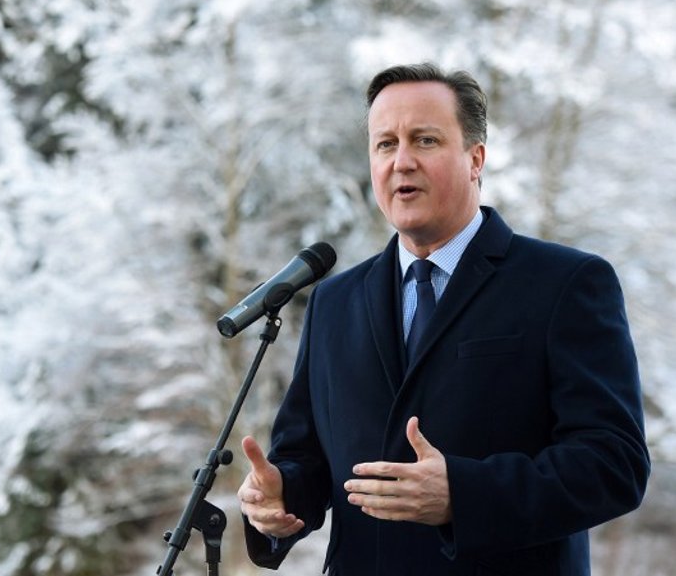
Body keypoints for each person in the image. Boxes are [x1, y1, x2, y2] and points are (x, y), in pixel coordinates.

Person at [236, 63, 650, 575]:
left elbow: (613, 465)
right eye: (385, 144)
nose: (402, 161)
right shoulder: (334, 301)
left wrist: (462, 495)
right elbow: (310, 462)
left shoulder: (565, 283)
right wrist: (280, 496)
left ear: (475, 158)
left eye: (425, 140)